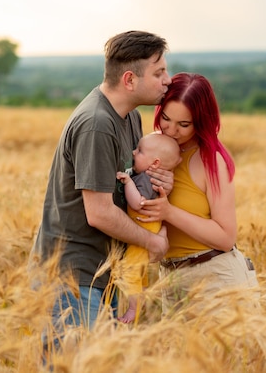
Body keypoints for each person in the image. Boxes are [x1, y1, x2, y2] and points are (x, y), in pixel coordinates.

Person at [28, 31, 174, 348]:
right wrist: (153, 242)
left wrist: (162, 183)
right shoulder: (96, 123)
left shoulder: (130, 117)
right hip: (72, 276)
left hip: (105, 274)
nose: (167, 80)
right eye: (159, 72)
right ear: (130, 80)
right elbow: (100, 213)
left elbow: (132, 188)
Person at [140, 72, 259, 316]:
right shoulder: (150, 150)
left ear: (201, 122)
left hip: (215, 279)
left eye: (184, 124)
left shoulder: (211, 160)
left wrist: (169, 212)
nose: (171, 130)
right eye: (166, 118)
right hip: (169, 278)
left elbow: (226, 237)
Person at [114, 133, 181, 324]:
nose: (134, 152)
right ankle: (139, 301)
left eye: (140, 151)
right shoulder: (149, 178)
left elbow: (138, 203)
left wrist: (127, 182)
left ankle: (134, 309)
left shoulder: (144, 179)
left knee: (129, 271)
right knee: (139, 273)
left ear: (155, 163)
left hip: (142, 232)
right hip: (149, 229)